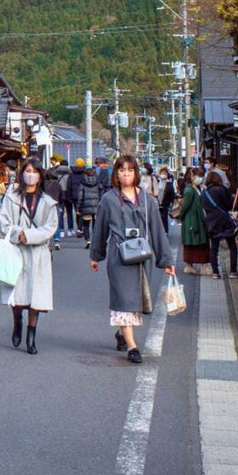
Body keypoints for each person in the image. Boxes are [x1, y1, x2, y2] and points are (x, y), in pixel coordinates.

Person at [91, 154, 176, 363]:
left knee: (136, 301)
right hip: (118, 257)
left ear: (136, 173)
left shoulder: (148, 200)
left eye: (130, 170)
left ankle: (122, 333)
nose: (126, 174)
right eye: (121, 170)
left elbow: (157, 231)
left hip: (141, 257)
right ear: (116, 174)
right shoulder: (108, 199)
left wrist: (167, 261)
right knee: (123, 299)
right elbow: (100, 230)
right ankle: (132, 346)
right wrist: (96, 255)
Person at [0, 157, 58, 355]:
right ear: (22, 173)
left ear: (40, 175)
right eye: (27, 170)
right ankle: (17, 321)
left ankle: (31, 335)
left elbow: (50, 227)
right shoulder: (12, 196)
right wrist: (17, 233)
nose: (30, 174)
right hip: (16, 251)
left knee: (36, 296)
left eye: (34, 171)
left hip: (38, 252)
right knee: (17, 294)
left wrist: (29, 235)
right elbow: (3, 220)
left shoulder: (48, 202)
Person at [203, 169, 238, 278]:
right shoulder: (222, 189)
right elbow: (228, 206)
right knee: (232, 246)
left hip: (211, 222)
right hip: (224, 221)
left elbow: (204, 206)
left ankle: (215, 272)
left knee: (214, 248)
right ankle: (233, 271)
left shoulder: (204, 192)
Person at [174, 169, 211, 275]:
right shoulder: (190, 190)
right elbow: (185, 206)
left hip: (197, 220)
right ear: (192, 176)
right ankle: (194, 266)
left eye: (201, 176)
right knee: (197, 243)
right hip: (192, 221)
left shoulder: (197, 188)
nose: (200, 178)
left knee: (199, 243)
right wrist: (180, 216)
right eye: (198, 176)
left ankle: (196, 266)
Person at [77, 161, 101, 247]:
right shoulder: (97, 183)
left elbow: (80, 196)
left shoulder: (82, 183)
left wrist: (78, 208)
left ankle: (87, 240)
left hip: (86, 207)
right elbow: (101, 194)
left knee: (86, 224)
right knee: (96, 224)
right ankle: (95, 240)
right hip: (96, 206)